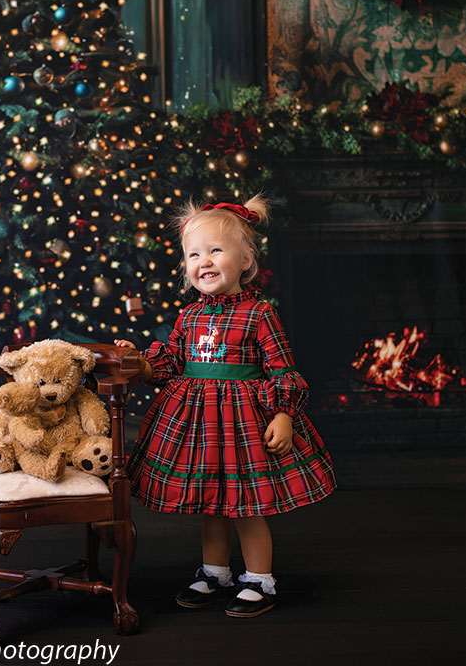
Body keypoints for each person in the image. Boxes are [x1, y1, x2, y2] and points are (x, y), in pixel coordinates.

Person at [115, 195, 336, 618]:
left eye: (216, 250)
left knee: (246, 506)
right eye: (195, 254)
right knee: (211, 505)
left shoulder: (258, 314)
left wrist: (284, 415)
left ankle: (259, 579)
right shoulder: (188, 317)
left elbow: (281, 370)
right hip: (198, 426)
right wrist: (140, 362)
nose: (205, 261)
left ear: (246, 259)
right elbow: (170, 363)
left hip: (243, 426)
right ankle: (216, 572)